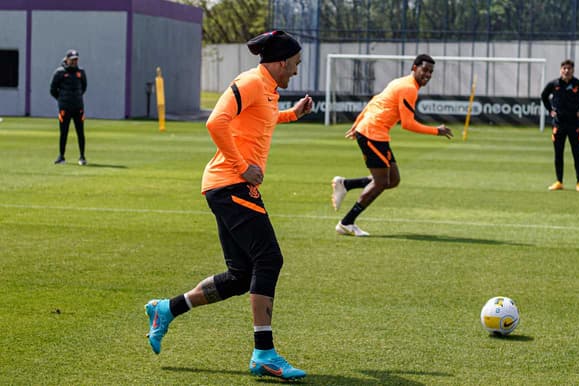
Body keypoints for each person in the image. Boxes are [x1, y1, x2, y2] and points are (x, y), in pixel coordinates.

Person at [144, 31, 312, 381]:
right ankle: (264, 354)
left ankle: (166, 309)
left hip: (227, 185)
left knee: (240, 276)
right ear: (281, 62)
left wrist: (292, 115)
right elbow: (215, 122)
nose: (296, 71)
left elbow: (260, 121)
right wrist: (242, 166)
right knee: (269, 259)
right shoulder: (250, 81)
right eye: (295, 64)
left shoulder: (268, 90)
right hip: (231, 182)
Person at [331, 54, 453, 237]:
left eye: (430, 72)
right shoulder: (409, 88)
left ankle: (345, 184)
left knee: (393, 179)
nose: (427, 74)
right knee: (381, 182)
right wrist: (437, 131)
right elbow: (407, 124)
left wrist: (357, 123)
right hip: (373, 133)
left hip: (375, 132)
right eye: (424, 70)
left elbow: (374, 100)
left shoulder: (401, 82)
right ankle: (346, 222)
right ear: (414, 68)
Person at [541, 59, 579, 192]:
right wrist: (550, 110)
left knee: (576, 154)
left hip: (574, 124)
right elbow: (544, 96)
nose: (566, 71)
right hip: (558, 124)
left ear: (573, 70)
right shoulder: (554, 84)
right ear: (561, 70)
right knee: (558, 154)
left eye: (569, 68)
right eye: (564, 68)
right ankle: (559, 181)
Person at [49, 49, 88, 165]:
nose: (74, 62)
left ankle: (82, 157)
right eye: (72, 60)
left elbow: (84, 87)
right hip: (64, 108)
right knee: (64, 132)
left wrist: (77, 98)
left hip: (78, 107)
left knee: (80, 132)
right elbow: (52, 90)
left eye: (76, 60)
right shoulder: (60, 72)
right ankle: (61, 156)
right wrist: (62, 100)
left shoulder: (81, 72)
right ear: (67, 60)